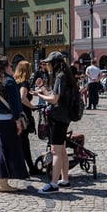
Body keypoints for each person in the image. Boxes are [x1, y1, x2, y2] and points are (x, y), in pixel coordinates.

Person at [0, 55, 28, 192]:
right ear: (6, 67)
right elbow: (15, 104)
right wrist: (18, 121)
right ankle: (3, 183)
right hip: (7, 120)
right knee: (6, 150)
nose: (11, 68)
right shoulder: (9, 82)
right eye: (9, 65)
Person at [35, 51, 78, 194]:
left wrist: (40, 95)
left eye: (48, 63)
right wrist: (43, 91)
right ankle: (65, 179)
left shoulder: (60, 76)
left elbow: (54, 100)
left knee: (55, 151)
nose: (47, 66)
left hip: (58, 118)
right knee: (62, 150)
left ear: (55, 63)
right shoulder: (67, 75)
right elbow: (55, 96)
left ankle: (53, 183)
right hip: (64, 117)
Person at [14, 60, 42, 175]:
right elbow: (22, 97)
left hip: (15, 115)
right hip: (23, 116)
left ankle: (22, 167)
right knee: (24, 143)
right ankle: (30, 167)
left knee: (20, 143)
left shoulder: (14, 81)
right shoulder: (24, 83)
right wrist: (32, 106)